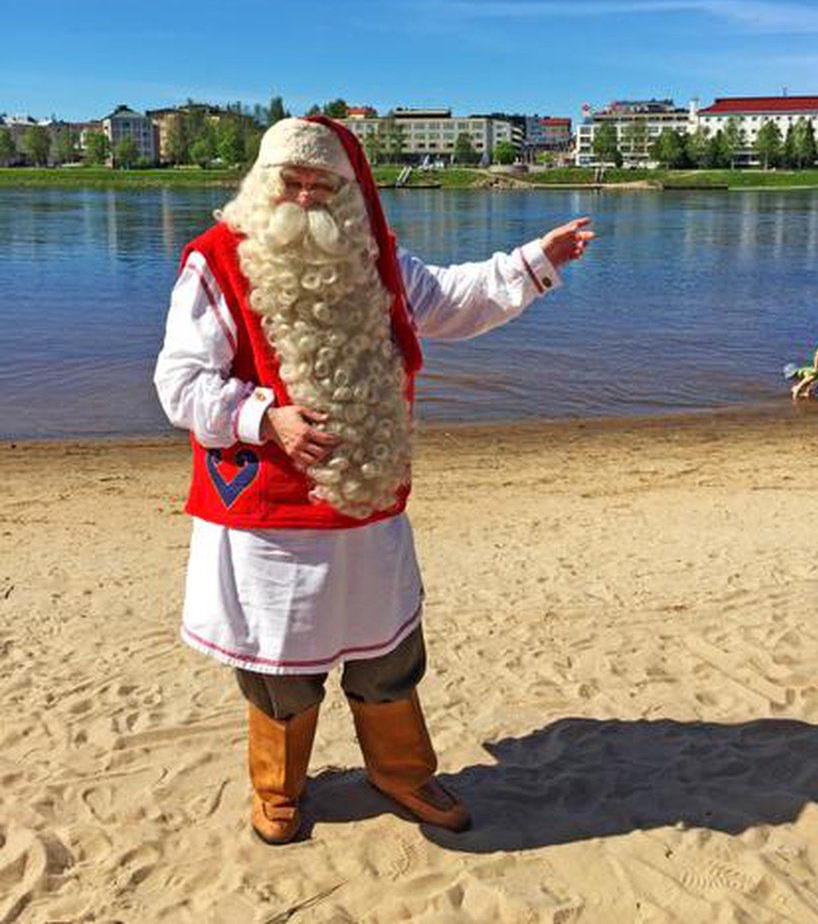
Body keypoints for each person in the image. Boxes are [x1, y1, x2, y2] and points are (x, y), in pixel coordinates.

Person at [154, 115, 593, 845]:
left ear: (346, 192)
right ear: (262, 185)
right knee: (280, 667)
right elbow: (180, 383)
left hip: (367, 500)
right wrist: (267, 417)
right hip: (269, 513)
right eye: (289, 183)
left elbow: (451, 300)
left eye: (320, 185)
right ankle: (280, 788)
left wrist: (534, 262)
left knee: (388, 652)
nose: (303, 198)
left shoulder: (374, 255)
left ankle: (399, 770)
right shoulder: (214, 260)